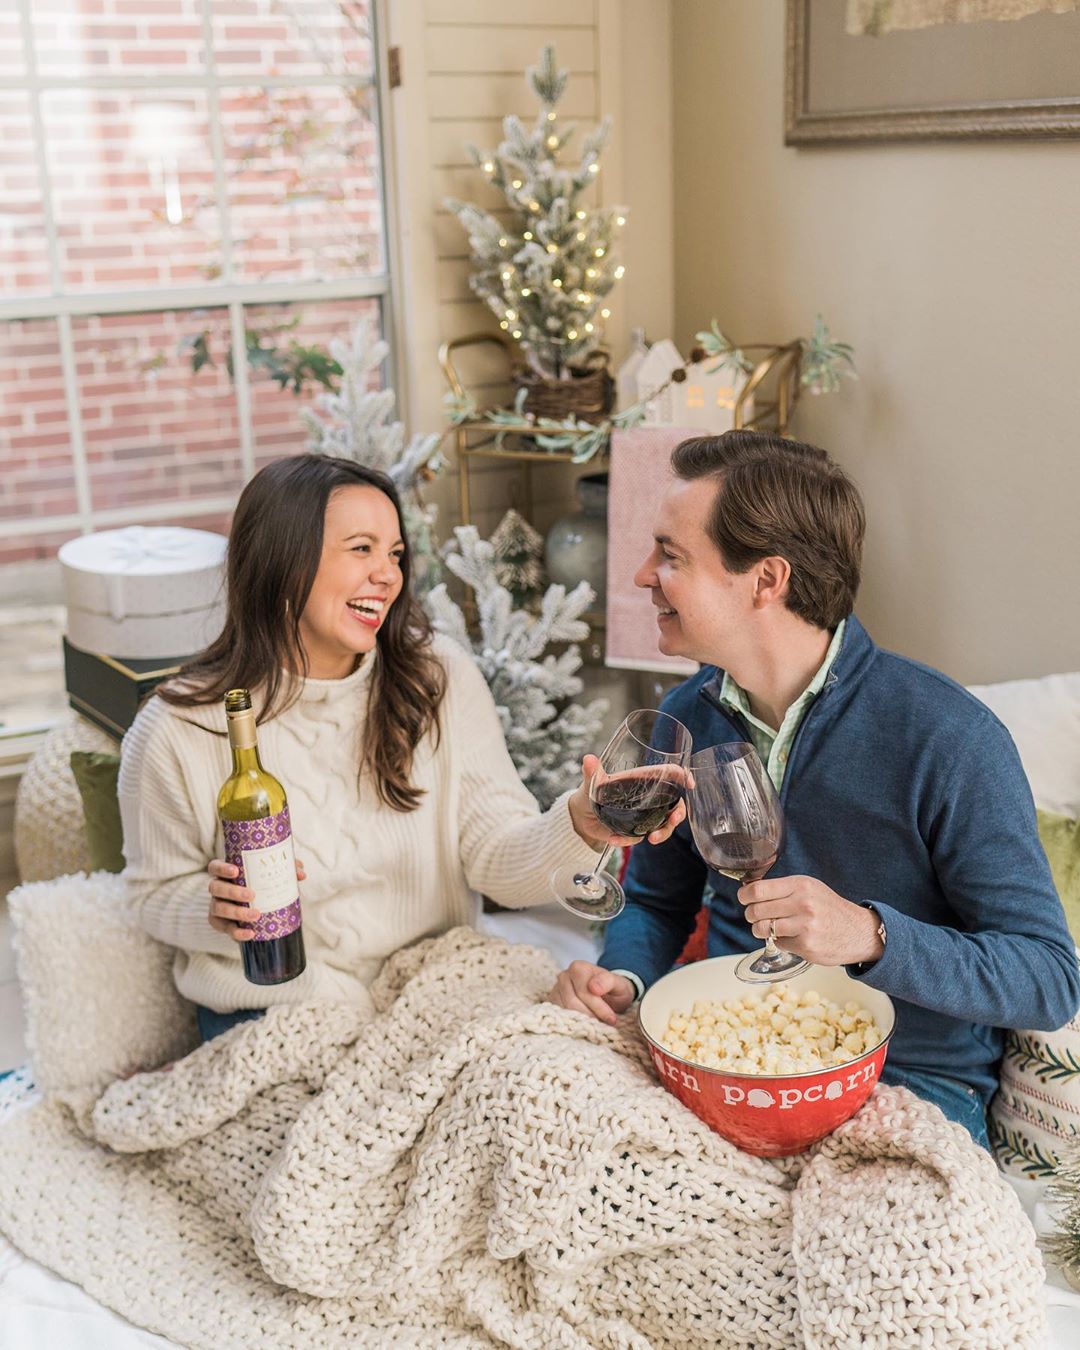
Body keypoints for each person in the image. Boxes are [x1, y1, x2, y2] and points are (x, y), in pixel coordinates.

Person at [548, 430, 1080, 1146]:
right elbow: (655, 900)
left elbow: (1047, 979)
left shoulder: (948, 736)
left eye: (670, 556)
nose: (643, 575)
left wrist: (870, 934)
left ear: (767, 580)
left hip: (910, 1082)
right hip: (723, 1055)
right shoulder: (685, 718)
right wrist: (625, 977)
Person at [119, 454, 683, 1043]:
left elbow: (496, 860)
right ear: (282, 561)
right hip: (275, 1012)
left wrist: (579, 823)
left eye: (394, 553)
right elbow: (148, 898)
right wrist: (213, 912)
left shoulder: (437, 678)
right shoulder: (178, 729)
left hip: (435, 987)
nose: (388, 575)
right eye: (361, 549)